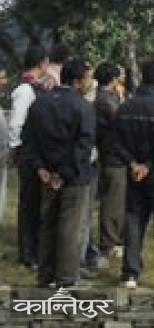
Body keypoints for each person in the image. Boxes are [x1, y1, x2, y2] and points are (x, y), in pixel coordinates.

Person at [22, 57, 96, 289]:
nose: (90, 83)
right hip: (74, 176)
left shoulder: (40, 103)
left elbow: (29, 139)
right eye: (88, 78)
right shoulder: (82, 107)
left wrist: (41, 168)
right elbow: (83, 146)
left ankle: (45, 275)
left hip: (46, 173)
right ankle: (66, 278)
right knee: (70, 228)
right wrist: (63, 172)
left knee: (48, 225)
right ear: (77, 81)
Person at [114, 60, 154, 290]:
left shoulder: (126, 107)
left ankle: (129, 273)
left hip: (134, 173)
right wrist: (149, 164)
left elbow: (117, 142)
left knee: (133, 221)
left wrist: (134, 163)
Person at [9, 44, 50, 268]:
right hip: (28, 152)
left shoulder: (36, 88)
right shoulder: (25, 91)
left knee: (35, 203)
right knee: (29, 204)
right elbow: (17, 123)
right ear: (41, 63)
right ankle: (27, 252)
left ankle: (34, 248)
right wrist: (17, 147)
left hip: (35, 150)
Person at [94, 62, 127, 260]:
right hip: (111, 154)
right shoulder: (105, 100)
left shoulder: (110, 97)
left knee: (118, 199)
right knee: (111, 200)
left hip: (115, 154)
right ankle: (109, 241)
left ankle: (116, 237)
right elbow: (119, 120)